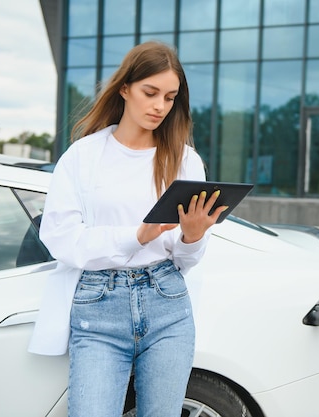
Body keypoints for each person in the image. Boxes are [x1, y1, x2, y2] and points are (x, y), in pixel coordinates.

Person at [28, 41, 226, 417]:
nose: (159, 106)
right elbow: (61, 238)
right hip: (98, 306)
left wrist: (194, 236)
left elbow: (186, 260)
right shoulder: (84, 156)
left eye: (170, 97)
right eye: (150, 93)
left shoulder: (185, 160)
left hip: (167, 302)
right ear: (124, 88)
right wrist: (137, 235)